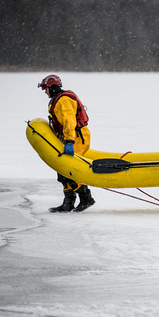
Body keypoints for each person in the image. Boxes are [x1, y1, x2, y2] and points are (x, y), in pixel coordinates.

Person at [38, 74, 95, 213]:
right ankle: (68, 202)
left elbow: (69, 121)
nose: (45, 92)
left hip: (76, 138)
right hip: (68, 137)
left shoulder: (63, 100)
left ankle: (86, 197)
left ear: (52, 88)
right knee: (62, 170)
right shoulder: (57, 100)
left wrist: (69, 141)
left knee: (68, 170)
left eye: (46, 89)